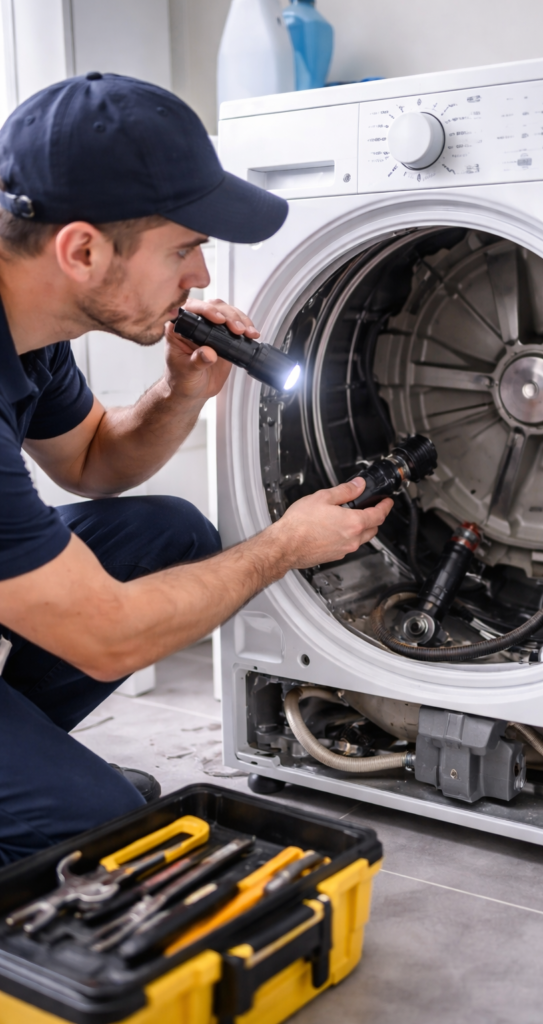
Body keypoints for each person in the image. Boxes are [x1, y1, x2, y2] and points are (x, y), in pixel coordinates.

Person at [0, 72, 392, 864]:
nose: (201, 279)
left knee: (166, 533)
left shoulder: (30, 329)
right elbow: (105, 640)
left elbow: (89, 464)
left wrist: (182, 393)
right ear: (82, 249)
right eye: (182, 249)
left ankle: (32, 765)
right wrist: (285, 545)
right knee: (92, 836)